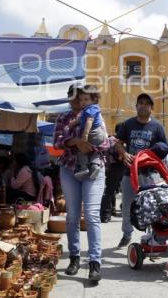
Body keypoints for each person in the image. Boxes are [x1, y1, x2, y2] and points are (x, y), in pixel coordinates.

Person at [53, 84, 109, 283]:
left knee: (92, 214)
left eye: (81, 98)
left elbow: (105, 142)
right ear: (69, 99)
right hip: (69, 168)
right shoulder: (63, 117)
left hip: (94, 168)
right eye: (74, 98)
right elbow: (57, 141)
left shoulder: (96, 113)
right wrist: (75, 141)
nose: (77, 101)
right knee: (73, 215)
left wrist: (89, 143)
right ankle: (74, 257)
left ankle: (95, 262)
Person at [115, 93, 168, 247]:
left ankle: (154, 237)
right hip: (130, 173)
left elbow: (164, 147)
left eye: (147, 103)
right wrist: (123, 153)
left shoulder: (158, 127)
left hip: (151, 174)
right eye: (140, 103)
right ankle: (127, 234)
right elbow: (118, 142)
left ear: (151, 108)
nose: (143, 105)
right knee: (127, 207)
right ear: (136, 106)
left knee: (153, 207)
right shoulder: (128, 124)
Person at [74, 85, 106, 180]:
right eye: (81, 100)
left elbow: (89, 121)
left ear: (94, 99)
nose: (83, 102)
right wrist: (74, 123)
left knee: (81, 149)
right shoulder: (92, 108)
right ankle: (94, 166)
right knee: (95, 150)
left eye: (86, 99)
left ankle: (84, 168)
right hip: (99, 135)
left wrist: (85, 134)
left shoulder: (90, 109)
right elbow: (81, 119)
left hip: (93, 133)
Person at [100, 123, 124, 223]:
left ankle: (105, 215)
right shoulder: (121, 141)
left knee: (109, 191)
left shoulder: (109, 139)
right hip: (122, 166)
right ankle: (126, 212)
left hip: (110, 167)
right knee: (127, 190)